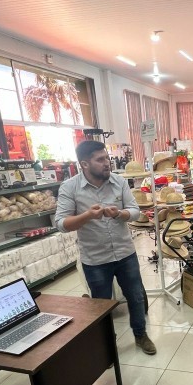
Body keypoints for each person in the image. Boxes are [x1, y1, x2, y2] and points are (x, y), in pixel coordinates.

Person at [55, 140, 156, 355]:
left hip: (124, 252)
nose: (107, 163)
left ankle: (140, 335)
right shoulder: (70, 188)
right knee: (100, 305)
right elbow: (61, 224)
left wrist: (120, 214)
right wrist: (87, 216)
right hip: (95, 259)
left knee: (136, 297)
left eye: (107, 158)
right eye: (100, 160)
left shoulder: (118, 182)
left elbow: (135, 210)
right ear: (84, 164)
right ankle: (107, 345)